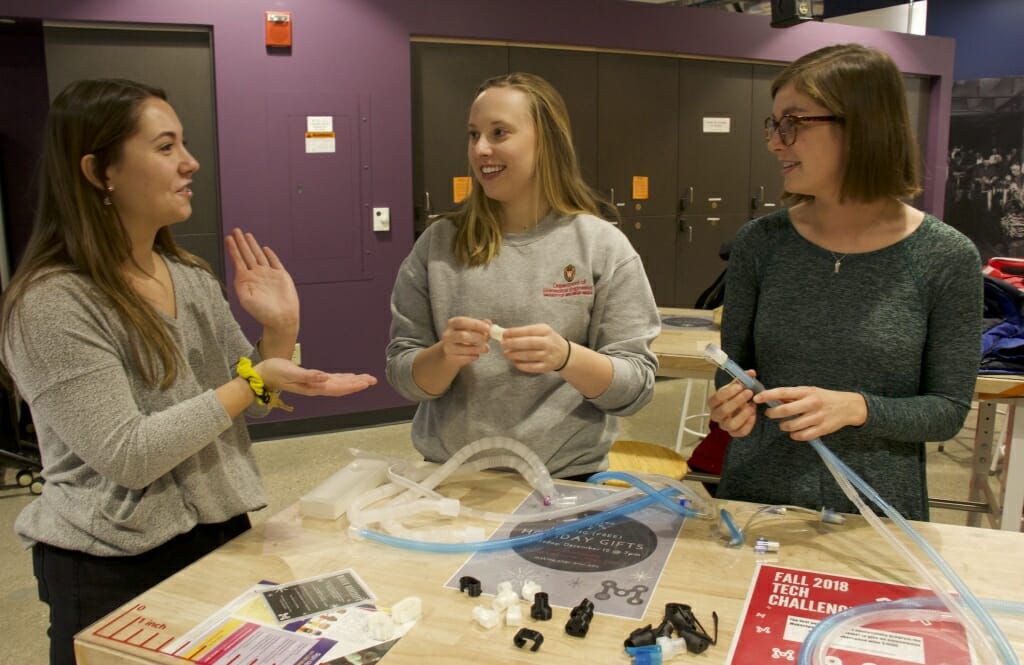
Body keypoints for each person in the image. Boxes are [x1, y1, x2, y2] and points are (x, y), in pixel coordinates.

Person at [0, 78, 377, 665]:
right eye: (166, 147)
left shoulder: (190, 276)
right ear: (101, 171)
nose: (190, 162)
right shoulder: (52, 304)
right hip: (113, 562)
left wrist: (279, 331)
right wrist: (254, 379)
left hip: (219, 534)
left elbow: (244, 397)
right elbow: (132, 454)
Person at [707, 44, 982, 521]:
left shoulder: (945, 257)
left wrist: (858, 408)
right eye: (773, 125)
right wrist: (730, 404)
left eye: (793, 123)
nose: (775, 142)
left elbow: (947, 410)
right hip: (757, 503)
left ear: (863, 126)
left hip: (876, 514)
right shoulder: (761, 244)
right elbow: (734, 368)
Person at [386, 72, 659, 479]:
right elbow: (403, 374)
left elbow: (635, 388)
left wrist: (566, 357)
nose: (481, 149)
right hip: (453, 478)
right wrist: (444, 356)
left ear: (546, 142)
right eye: (473, 134)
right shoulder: (438, 245)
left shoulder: (601, 246)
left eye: (500, 132)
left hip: (568, 479)